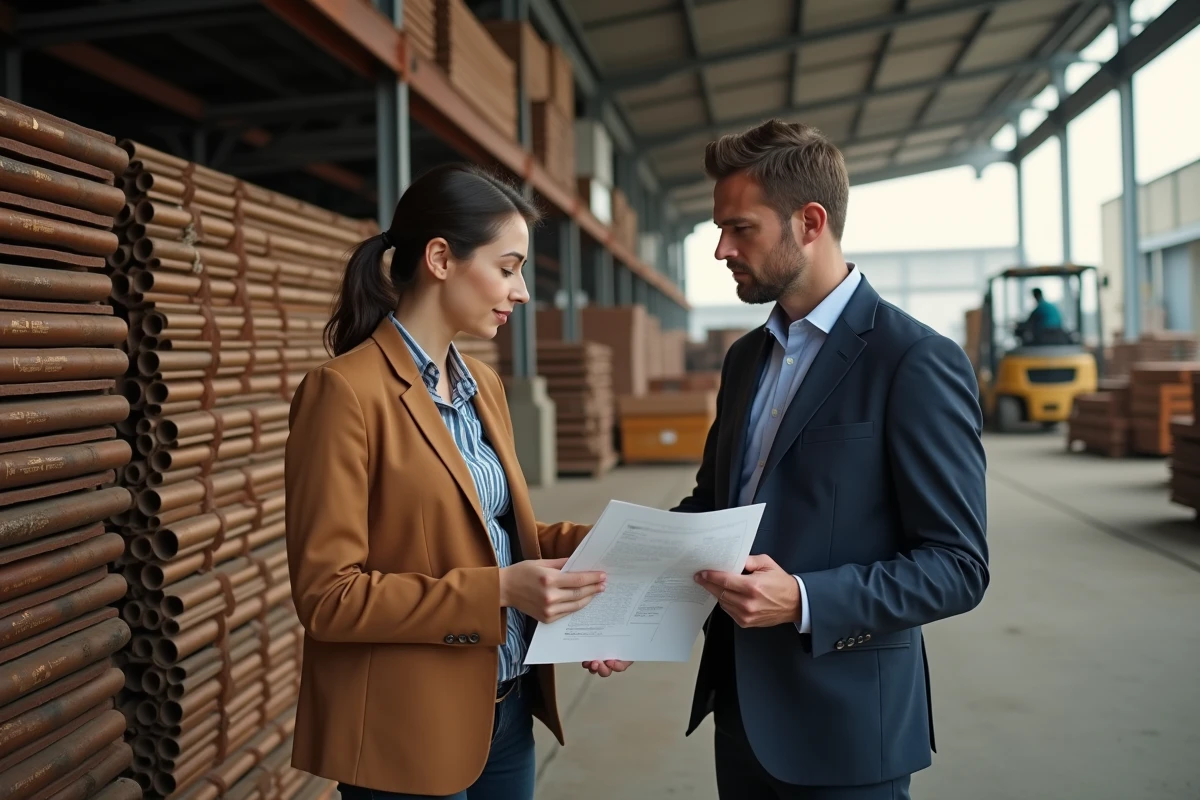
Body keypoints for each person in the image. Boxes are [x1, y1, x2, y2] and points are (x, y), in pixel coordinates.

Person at [283, 163, 628, 800]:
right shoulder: (344, 394)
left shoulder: (483, 387)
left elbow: (493, 528)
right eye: (508, 267)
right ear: (440, 257)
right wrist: (500, 590)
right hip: (406, 728)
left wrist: (618, 551)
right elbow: (328, 597)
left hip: (507, 709)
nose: (522, 291)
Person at [675, 120, 990, 799]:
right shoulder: (744, 360)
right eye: (718, 230)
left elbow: (958, 567)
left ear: (809, 222)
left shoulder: (912, 361)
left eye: (740, 229)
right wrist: (627, 598)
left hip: (846, 730)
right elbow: (712, 509)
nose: (721, 249)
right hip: (741, 717)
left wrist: (806, 598)